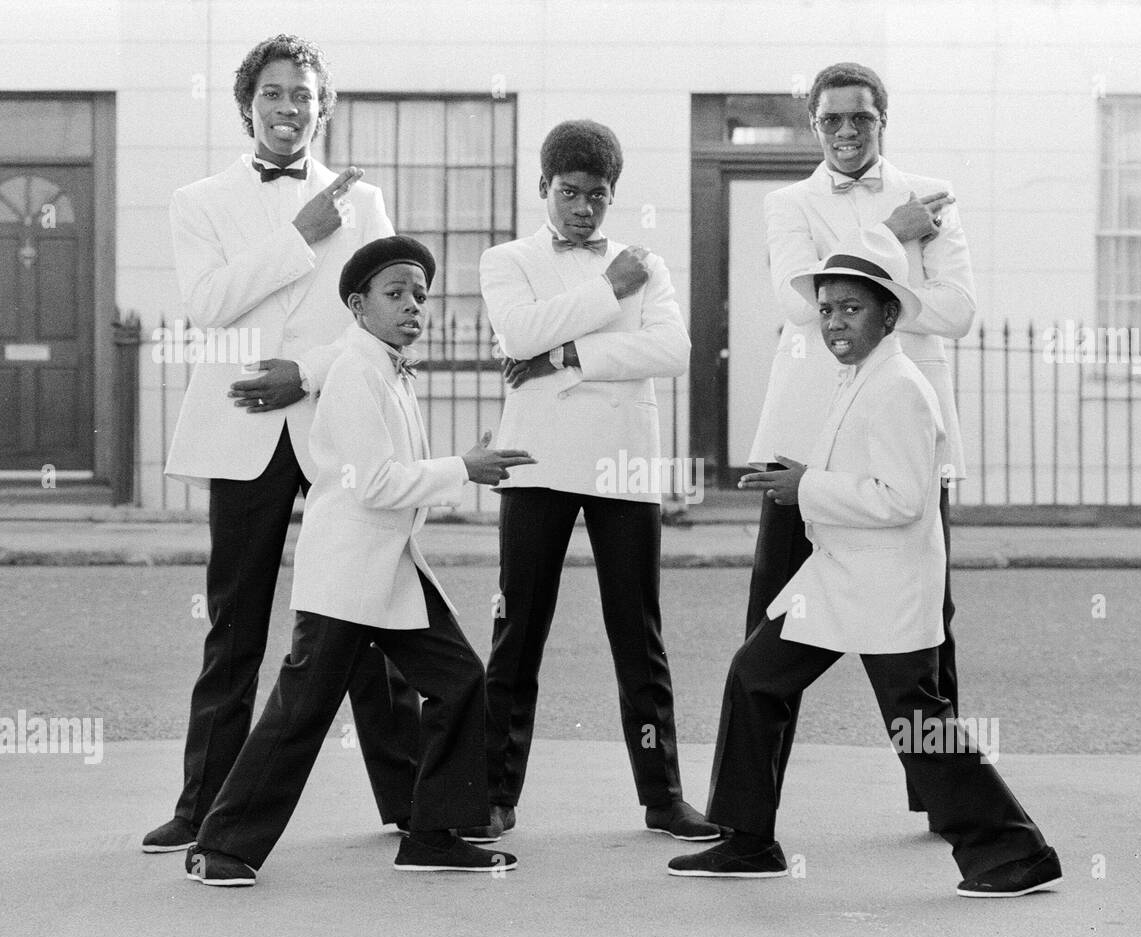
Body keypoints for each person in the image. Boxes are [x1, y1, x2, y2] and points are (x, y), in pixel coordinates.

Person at [670, 240, 1060, 898]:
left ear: (888, 316)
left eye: (850, 308)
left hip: (885, 586)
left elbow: (904, 499)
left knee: (918, 724)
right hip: (838, 581)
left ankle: (1014, 850)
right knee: (755, 674)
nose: (833, 323)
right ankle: (746, 838)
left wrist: (807, 488)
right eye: (825, 311)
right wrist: (805, 483)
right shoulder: (862, 379)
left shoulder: (901, 389)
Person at [142, 35, 423, 855]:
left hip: (336, 418)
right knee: (235, 625)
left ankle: (408, 800)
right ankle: (203, 807)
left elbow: (379, 319)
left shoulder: (364, 201)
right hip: (243, 434)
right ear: (247, 106)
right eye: (272, 94)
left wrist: (305, 373)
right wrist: (301, 232)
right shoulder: (199, 200)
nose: (288, 108)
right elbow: (208, 303)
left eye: (302, 94)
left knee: (366, 606)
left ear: (321, 105)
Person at [185, 236, 536, 886]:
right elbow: (373, 483)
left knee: (460, 679)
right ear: (357, 303)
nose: (412, 307)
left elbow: (391, 474)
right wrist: (465, 467)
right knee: (302, 711)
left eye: (420, 296)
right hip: (347, 574)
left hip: (389, 569)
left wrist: (461, 463)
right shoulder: (353, 370)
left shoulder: (385, 367)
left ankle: (433, 832)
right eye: (395, 293)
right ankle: (221, 845)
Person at [734, 61, 976, 820]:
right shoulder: (789, 202)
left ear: (883, 121)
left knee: (924, 621)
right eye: (832, 120)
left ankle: (942, 800)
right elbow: (799, 301)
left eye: (860, 119)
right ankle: (747, 815)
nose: (846, 133)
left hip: (899, 430)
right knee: (773, 623)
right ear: (814, 124)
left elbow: (959, 308)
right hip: (799, 437)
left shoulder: (933, 194)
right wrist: (893, 241)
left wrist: (865, 279)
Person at [465, 119, 717, 843]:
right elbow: (517, 335)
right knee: (519, 629)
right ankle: (495, 793)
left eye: (598, 196)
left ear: (613, 196)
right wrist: (610, 292)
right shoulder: (506, 259)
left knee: (638, 634)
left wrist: (567, 352)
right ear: (544, 188)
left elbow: (672, 348)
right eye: (569, 193)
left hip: (625, 459)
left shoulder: (651, 264)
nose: (583, 208)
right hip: (537, 457)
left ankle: (664, 795)